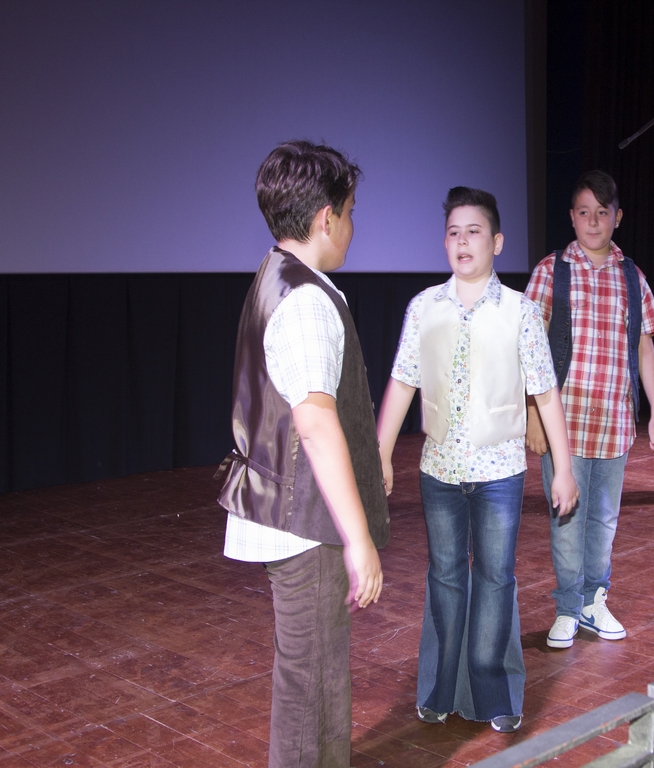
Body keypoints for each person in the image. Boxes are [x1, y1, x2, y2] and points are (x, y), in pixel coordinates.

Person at [376, 187, 578, 734]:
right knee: (444, 577)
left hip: (499, 474)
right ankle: (439, 687)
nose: (462, 241)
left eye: (474, 231)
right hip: (439, 471)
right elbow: (402, 383)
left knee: (495, 579)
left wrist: (563, 468)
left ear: (497, 242)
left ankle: (494, 691)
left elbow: (546, 393)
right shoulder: (424, 307)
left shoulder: (521, 311)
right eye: (453, 232)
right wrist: (381, 454)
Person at [216, 141, 390, 768]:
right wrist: (358, 539)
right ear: (325, 218)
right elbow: (314, 423)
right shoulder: (307, 300)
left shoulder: (276, 274)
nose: (352, 226)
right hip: (304, 523)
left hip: (292, 517)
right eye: (350, 212)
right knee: (310, 683)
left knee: (316, 673)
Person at [524, 170, 654, 650]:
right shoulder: (552, 271)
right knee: (566, 519)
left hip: (614, 423)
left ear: (617, 217)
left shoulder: (632, 276)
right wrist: (533, 414)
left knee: (604, 520)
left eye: (602, 213)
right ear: (571, 217)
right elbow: (528, 347)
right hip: (563, 424)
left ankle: (593, 600)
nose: (592, 221)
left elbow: (644, 346)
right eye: (584, 212)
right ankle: (567, 607)